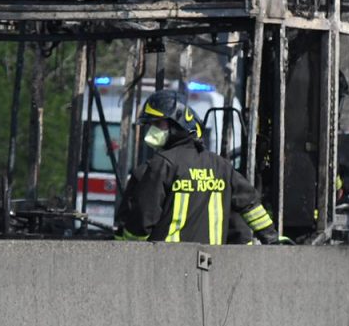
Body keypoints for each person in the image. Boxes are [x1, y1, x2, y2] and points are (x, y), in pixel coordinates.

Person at [115, 90, 285, 245]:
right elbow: (250, 204)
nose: (152, 130)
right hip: (211, 266)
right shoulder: (221, 166)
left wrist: (127, 248)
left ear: (177, 124)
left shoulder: (162, 164)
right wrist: (271, 237)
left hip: (167, 265)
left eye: (158, 124)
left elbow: (144, 218)